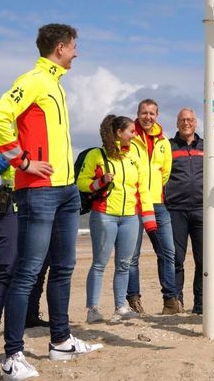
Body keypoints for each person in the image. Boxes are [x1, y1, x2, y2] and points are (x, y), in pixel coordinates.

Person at [0, 23, 101, 381]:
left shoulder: (55, 84)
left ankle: (60, 340)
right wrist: (22, 161)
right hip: (39, 188)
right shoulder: (34, 79)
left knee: (64, 267)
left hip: (66, 190)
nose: (77, 53)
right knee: (28, 271)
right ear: (61, 47)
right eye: (74, 47)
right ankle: (12, 356)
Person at [79, 114, 154, 323]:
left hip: (130, 217)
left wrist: (147, 217)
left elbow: (143, 188)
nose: (134, 134)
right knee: (100, 263)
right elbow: (81, 182)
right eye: (131, 131)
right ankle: (93, 309)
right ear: (119, 133)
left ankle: (120, 307)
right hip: (104, 214)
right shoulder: (96, 155)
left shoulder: (133, 157)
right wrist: (100, 181)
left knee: (124, 263)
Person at [0, 144, 49, 339]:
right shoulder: (6, 137)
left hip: (42, 202)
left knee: (38, 266)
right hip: (13, 204)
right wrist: (12, 155)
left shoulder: (48, 130)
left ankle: (30, 316)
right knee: (6, 266)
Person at [126, 98, 179, 315]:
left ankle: (170, 301)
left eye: (152, 113)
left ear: (157, 116)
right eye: (144, 113)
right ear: (138, 114)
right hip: (134, 204)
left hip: (157, 203)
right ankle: (133, 300)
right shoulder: (129, 137)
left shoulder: (163, 142)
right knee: (132, 255)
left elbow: (164, 173)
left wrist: (153, 192)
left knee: (168, 252)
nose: (148, 117)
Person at [166, 107, 205, 314]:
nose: (186, 123)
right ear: (177, 123)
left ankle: (200, 303)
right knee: (176, 258)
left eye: (190, 119)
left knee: (203, 259)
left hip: (201, 208)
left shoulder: (206, 146)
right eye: (182, 120)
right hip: (175, 209)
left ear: (196, 122)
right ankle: (176, 301)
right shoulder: (168, 147)